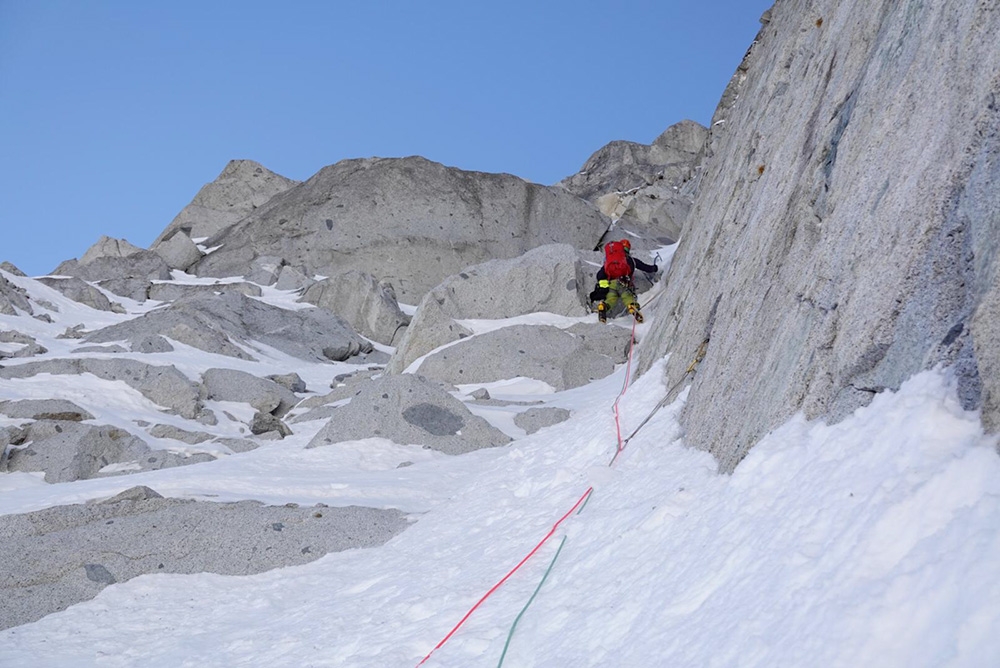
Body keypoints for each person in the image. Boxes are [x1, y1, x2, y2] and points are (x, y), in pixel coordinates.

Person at [589, 239, 658, 324]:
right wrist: (654, 268)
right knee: (627, 297)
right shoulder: (632, 260)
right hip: (624, 283)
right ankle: (632, 307)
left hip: (612, 284)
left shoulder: (610, 262)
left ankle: (603, 306)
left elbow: (600, 275)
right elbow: (646, 267)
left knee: (611, 298)